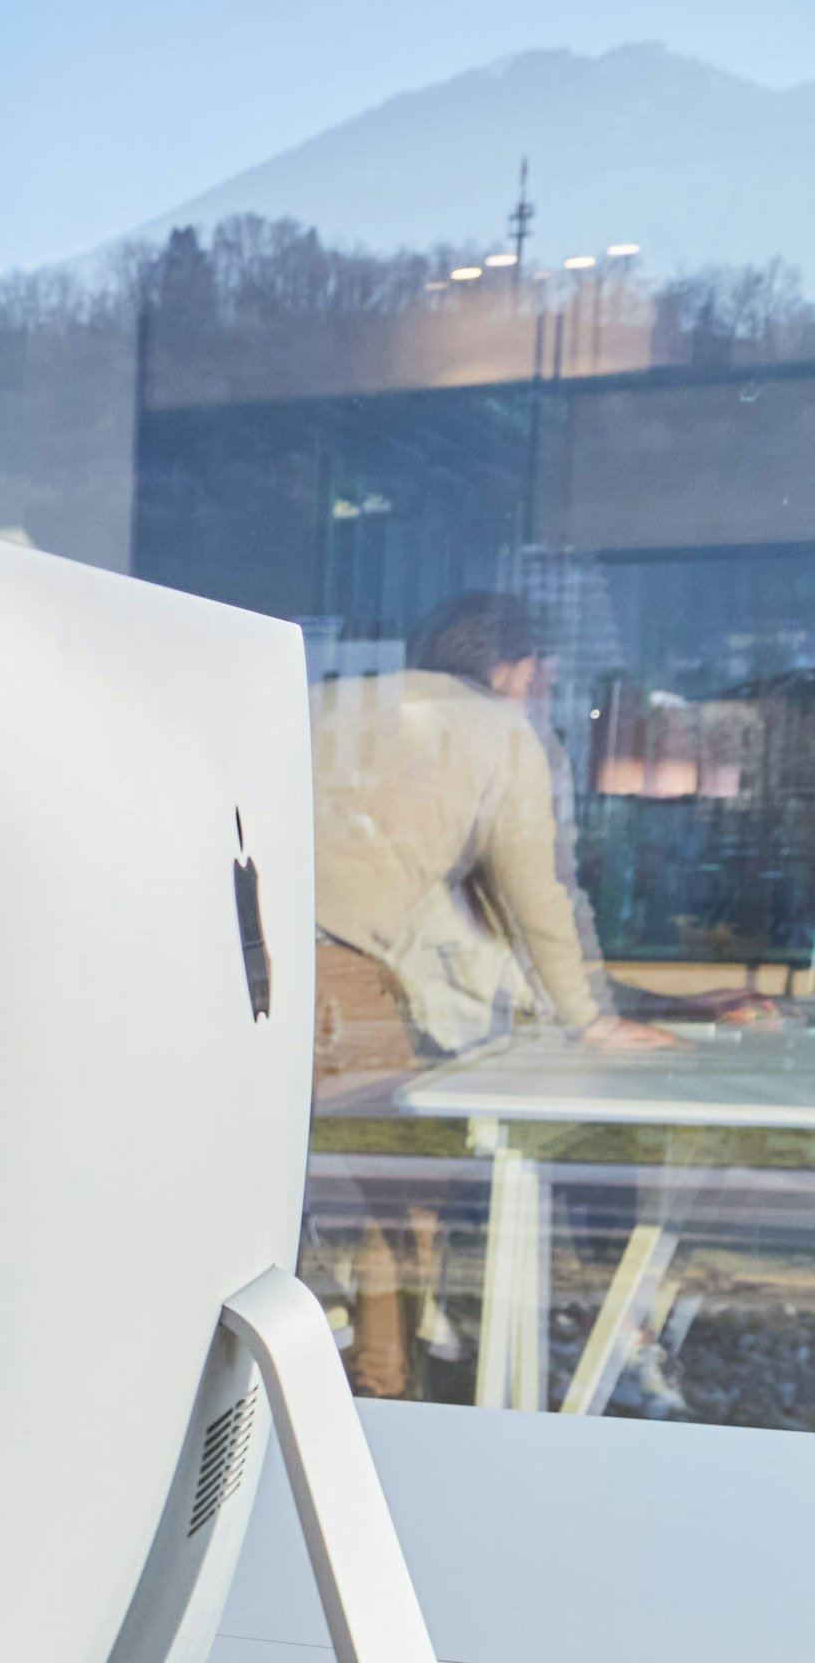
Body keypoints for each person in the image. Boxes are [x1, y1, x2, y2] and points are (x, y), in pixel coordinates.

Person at [312, 589, 670, 1395]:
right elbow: (537, 892)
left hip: (229, 958)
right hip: (334, 971)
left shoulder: (329, 703)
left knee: (307, 1191)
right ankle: (386, 1393)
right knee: (388, 1200)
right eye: (545, 675)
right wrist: (592, 1019)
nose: (548, 694)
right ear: (515, 668)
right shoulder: (499, 730)